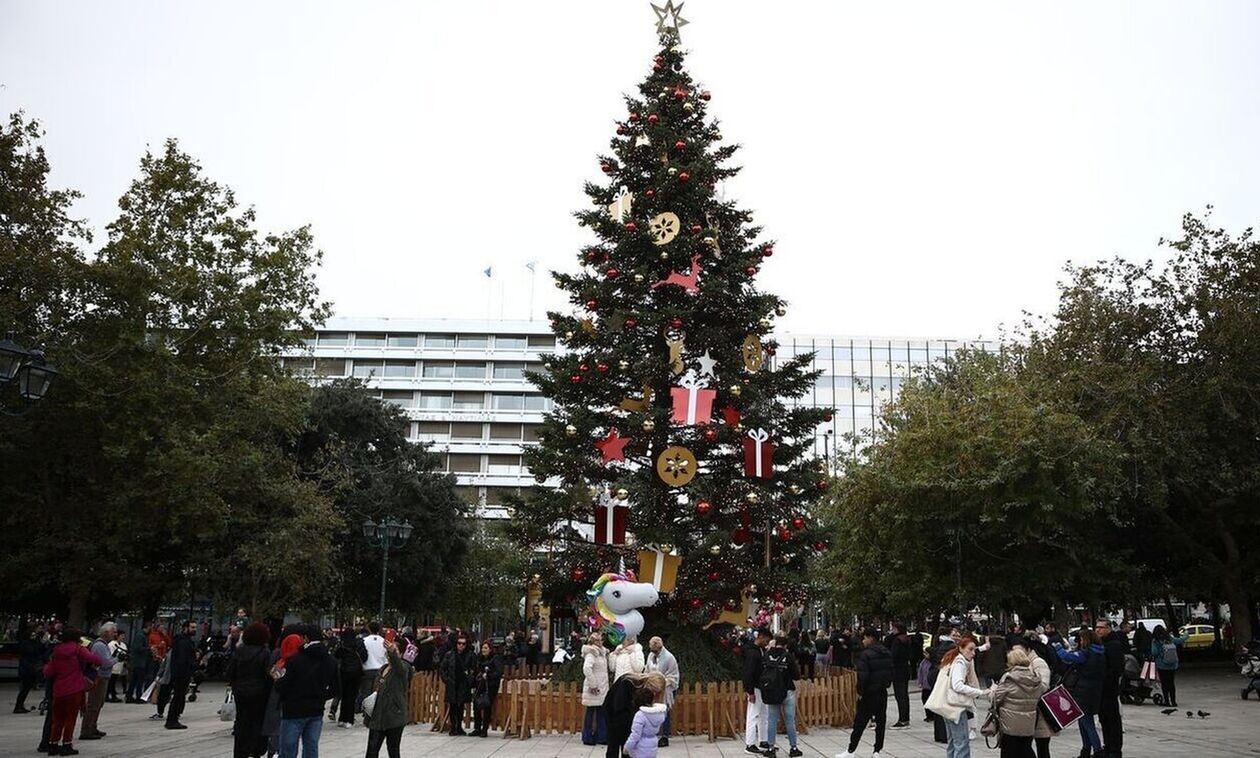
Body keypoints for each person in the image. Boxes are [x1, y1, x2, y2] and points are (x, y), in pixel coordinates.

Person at [275, 624, 336, 758]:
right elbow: (336, 688)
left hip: (294, 709)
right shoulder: (330, 660)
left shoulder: (296, 659)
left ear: (305, 638)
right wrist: (321, 696)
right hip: (316, 709)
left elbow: (281, 685)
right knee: (311, 747)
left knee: (288, 748)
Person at [43, 627, 102, 756]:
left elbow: (48, 672)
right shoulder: (78, 649)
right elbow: (96, 660)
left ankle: (53, 744)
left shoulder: (56, 651)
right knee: (70, 718)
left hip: (59, 689)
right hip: (75, 688)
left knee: (57, 719)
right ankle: (67, 744)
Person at [933, 634, 990, 758]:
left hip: (946, 705)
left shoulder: (951, 659)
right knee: (962, 742)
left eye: (974, 649)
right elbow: (957, 685)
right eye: (970, 649)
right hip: (955, 706)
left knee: (953, 742)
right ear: (961, 648)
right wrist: (981, 692)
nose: (973, 653)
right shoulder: (960, 662)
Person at [839, 628, 892, 758]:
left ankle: (851, 750)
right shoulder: (887, 653)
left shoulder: (866, 655)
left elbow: (863, 676)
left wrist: (860, 691)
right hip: (882, 691)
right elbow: (891, 672)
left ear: (870, 638)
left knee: (860, 722)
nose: (863, 641)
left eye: (864, 638)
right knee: (880, 722)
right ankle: (877, 750)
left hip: (869, 692)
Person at [1054, 628, 1106, 758]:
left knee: (1087, 723)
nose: (1080, 641)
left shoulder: (1086, 653)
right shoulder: (1100, 652)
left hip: (1084, 691)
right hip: (1094, 690)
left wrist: (1058, 647)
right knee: (1083, 721)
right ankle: (1086, 750)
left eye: (1082, 639)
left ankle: (1097, 750)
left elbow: (1067, 657)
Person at [228, 621, 273, 758]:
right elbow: (269, 674)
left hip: (241, 692)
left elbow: (230, 673)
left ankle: (240, 751)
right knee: (257, 722)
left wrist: (236, 685)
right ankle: (256, 750)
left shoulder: (239, 651)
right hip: (259, 693)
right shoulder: (265, 652)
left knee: (241, 721)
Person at [992, 647, 1046, 758]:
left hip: (1010, 724)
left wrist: (992, 690)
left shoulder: (1009, 678)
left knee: (1009, 751)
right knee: (1026, 749)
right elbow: (1040, 693)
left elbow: (996, 699)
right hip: (1029, 722)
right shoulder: (1035, 677)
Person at [364, 636, 413, 758]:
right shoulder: (382, 669)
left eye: (395, 650)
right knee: (372, 750)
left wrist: (393, 653)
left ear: (400, 654)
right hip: (378, 716)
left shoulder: (404, 668)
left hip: (394, 716)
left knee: (393, 750)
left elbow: (399, 667)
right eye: (389, 650)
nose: (390, 652)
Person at [604, 670, 666, 758]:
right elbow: (620, 705)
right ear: (649, 681)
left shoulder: (643, 689)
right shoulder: (628, 682)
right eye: (652, 688)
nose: (653, 693)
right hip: (613, 712)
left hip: (627, 714)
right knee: (614, 744)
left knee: (628, 745)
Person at [79, 621, 117, 741]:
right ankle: (86, 729)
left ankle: (92, 726)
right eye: (113, 632)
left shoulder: (103, 644)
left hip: (102, 677)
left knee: (98, 703)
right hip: (99, 677)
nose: (114, 634)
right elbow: (105, 663)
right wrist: (116, 659)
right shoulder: (100, 645)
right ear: (106, 632)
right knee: (94, 704)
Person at [1095, 619, 1127, 758]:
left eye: (1101, 628)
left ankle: (1114, 749)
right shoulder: (1102, 643)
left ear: (1108, 628)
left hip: (1109, 689)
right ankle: (1108, 746)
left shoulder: (1113, 645)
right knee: (1104, 720)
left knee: (1112, 720)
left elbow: (1115, 669)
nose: (1098, 630)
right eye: (1096, 627)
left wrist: (1105, 679)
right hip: (1101, 689)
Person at [646, 636, 680, 748]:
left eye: (656, 651)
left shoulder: (669, 658)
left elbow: (674, 676)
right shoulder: (651, 656)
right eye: (652, 651)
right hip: (652, 688)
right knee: (652, 711)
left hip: (665, 689)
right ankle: (652, 735)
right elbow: (647, 669)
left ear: (660, 648)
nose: (653, 653)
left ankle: (665, 736)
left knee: (665, 712)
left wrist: (662, 682)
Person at [743, 626, 771, 755]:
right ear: (761, 637)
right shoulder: (752, 653)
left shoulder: (759, 650)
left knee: (764, 714)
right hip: (755, 687)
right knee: (753, 714)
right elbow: (748, 673)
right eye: (766, 641)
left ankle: (763, 740)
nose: (766, 643)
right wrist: (750, 691)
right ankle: (750, 743)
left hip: (762, 687)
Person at [439, 633, 475, 736]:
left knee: (461, 706)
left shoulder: (470, 655)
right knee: (452, 706)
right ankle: (453, 726)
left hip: (463, 684)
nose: (461, 646)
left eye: (463, 644)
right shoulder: (449, 654)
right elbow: (442, 669)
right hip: (452, 683)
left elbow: (473, 669)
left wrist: (469, 679)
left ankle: (459, 726)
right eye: (459, 643)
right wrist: (446, 680)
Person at [623, 682, 669, 758]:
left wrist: (627, 748)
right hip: (653, 744)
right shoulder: (657, 713)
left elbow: (635, 735)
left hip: (640, 747)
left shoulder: (640, 715)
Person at [165, 620, 197, 729]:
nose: (194, 629)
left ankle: (173, 719)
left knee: (179, 696)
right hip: (181, 674)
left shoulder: (184, 641)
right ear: (185, 628)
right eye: (192, 627)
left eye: (195, 627)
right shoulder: (183, 642)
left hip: (182, 673)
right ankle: (172, 720)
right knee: (178, 697)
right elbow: (183, 659)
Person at [581, 632, 610, 746]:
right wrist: (593, 684)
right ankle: (587, 737)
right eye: (598, 641)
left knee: (601, 712)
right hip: (594, 687)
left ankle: (601, 736)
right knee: (591, 712)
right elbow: (587, 669)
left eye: (601, 640)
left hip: (602, 686)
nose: (600, 642)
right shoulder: (591, 653)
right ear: (593, 642)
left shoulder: (602, 653)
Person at [332, 629, 363, 728]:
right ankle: (349, 720)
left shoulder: (342, 645)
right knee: (352, 696)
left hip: (344, 671)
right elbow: (364, 656)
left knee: (344, 695)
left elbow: (335, 656)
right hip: (356, 672)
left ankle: (342, 719)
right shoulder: (358, 644)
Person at [1150, 624, 1185, 708]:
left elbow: (1154, 652)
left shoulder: (1156, 641)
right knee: (1171, 683)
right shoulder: (1169, 638)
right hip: (1172, 665)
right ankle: (1174, 701)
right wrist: (1186, 635)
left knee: (1164, 683)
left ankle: (1167, 701)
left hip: (1162, 665)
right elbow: (1179, 640)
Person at [472, 640, 502, 737]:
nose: (483, 650)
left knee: (486, 705)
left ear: (490, 649)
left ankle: (484, 729)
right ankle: (477, 728)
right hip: (481, 684)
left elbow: (498, 672)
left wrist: (488, 676)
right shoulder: (480, 659)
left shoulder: (495, 658)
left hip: (491, 685)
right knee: (476, 703)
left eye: (485, 648)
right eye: (482, 648)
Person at [885, 623, 912, 728]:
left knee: (900, 695)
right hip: (905, 668)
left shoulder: (897, 640)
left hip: (898, 670)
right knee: (904, 695)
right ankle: (906, 718)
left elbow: (893, 655)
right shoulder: (907, 639)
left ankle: (902, 720)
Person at [15, 623, 43, 713]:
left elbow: (39, 651)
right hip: (26, 669)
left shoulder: (34, 643)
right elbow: (30, 652)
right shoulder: (26, 644)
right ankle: (18, 706)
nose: (34, 636)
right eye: (33, 635)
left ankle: (20, 705)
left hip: (30, 668)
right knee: (24, 688)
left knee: (26, 689)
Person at [359, 622, 386, 707]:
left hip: (367, 668)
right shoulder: (383, 641)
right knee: (377, 692)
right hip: (380, 669)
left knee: (366, 691)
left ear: (369, 629)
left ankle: (366, 709)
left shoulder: (364, 641)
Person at [126, 621, 152, 704]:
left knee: (134, 680)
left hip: (138, 661)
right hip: (139, 661)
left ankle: (129, 695)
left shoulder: (141, 635)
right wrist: (148, 649)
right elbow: (138, 648)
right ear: (148, 627)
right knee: (139, 680)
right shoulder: (141, 636)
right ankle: (138, 696)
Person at [106, 630, 128, 703]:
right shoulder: (112, 644)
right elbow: (111, 654)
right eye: (122, 635)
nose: (123, 637)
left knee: (114, 680)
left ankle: (112, 695)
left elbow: (125, 653)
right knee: (111, 681)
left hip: (120, 665)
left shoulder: (123, 645)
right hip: (113, 664)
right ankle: (110, 695)